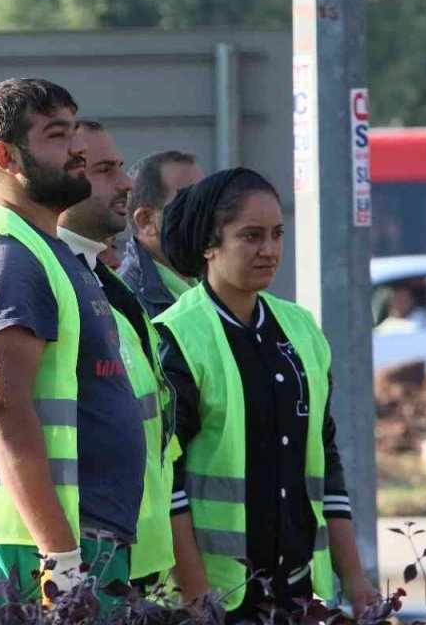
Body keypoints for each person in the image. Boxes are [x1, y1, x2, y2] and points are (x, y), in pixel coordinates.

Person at [0, 79, 146, 609]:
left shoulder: (47, 251)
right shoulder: (9, 258)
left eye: (74, 131)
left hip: (64, 546)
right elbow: (3, 406)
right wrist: (60, 556)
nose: (79, 149)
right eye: (56, 135)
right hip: (23, 554)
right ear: (6, 155)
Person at [153, 169, 378, 622]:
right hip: (218, 598)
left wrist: (354, 578)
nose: (270, 250)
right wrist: (196, 598)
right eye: (251, 236)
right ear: (209, 244)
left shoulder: (301, 330)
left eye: (277, 234)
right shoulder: (177, 337)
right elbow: (165, 482)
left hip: (297, 590)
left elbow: (325, 461)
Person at [56, 120, 179, 588]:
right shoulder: (56, 281)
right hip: (89, 554)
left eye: (120, 168)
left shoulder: (107, 286)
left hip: (135, 558)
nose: (125, 183)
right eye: (104, 169)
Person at [119, 151, 205, 317]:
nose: (207, 214)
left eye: (207, 201)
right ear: (146, 221)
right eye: (190, 203)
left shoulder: (219, 286)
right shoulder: (125, 302)